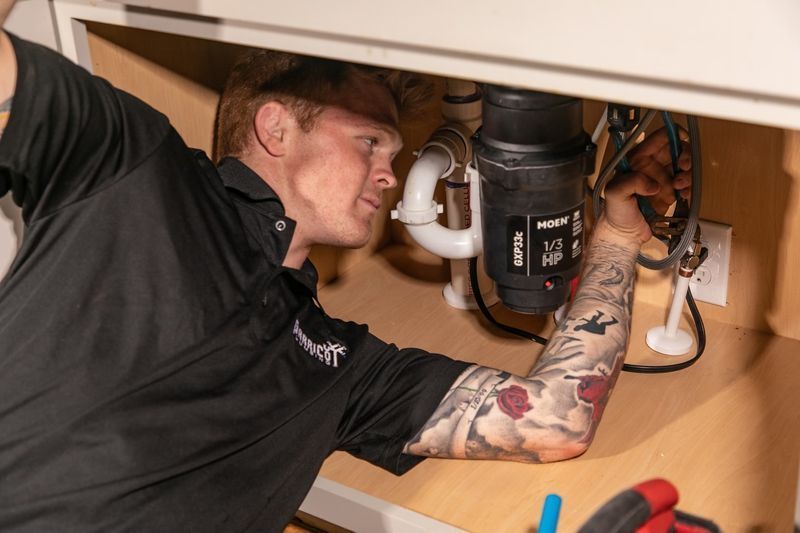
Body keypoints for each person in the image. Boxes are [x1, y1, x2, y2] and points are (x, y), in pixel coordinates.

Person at [0, 3, 692, 531]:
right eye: (371, 142)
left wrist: (617, 232)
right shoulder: (132, 169)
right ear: (275, 126)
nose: (390, 174)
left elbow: (556, 416)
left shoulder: (339, 363)